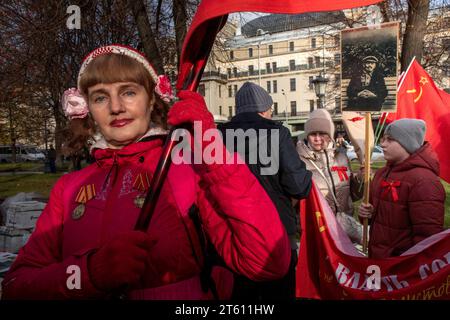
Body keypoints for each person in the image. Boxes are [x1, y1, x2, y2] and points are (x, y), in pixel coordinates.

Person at [1, 45, 291, 300]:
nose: (116, 107)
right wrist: (88, 273)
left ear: (152, 99)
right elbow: (16, 285)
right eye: (100, 97)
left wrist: (213, 153)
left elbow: (266, 261)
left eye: (128, 92)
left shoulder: (188, 171)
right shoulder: (68, 188)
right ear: (87, 108)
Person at [218, 82, 312, 301]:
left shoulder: (219, 135)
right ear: (264, 109)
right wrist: (305, 174)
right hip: (275, 229)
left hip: (233, 229)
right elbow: (298, 186)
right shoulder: (277, 133)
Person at [358, 119, 445, 259]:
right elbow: (373, 218)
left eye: (390, 140)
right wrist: (365, 214)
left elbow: (427, 237)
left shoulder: (424, 181)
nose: (382, 144)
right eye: (383, 139)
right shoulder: (381, 173)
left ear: (408, 144)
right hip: (379, 259)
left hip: (402, 267)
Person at [296, 109, 363, 244]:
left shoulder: (342, 157)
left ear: (330, 135)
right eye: (313, 134)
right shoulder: (297, 160)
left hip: (343, 230)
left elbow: (355, 195)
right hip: (316, 232)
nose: (317, 139)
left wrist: (361, 179)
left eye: (323, 134)